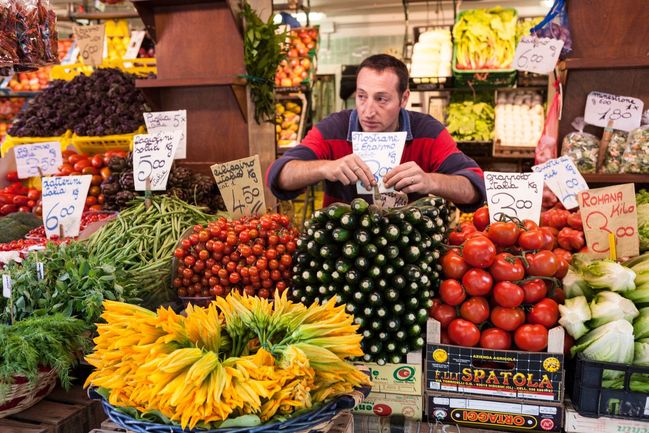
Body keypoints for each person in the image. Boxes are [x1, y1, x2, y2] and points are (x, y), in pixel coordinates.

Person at [266, 54, 486, 211]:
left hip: (408, 247)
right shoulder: (333, 128)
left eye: (381, 99)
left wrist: (431, 181)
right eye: (362, 96)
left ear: (404, 98)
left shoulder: (428, 131)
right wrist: (326, 167)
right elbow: (278, 175)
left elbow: (475, 187)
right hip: (342, 248)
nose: (368, 111)